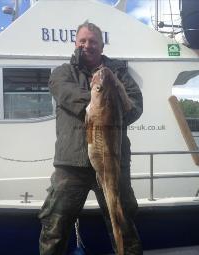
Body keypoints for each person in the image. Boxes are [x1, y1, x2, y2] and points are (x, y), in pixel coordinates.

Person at [39, 21, 143, 255]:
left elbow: (136, 107)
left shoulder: (120, 75)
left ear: (102, 45)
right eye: (83, 41)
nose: (88, 45)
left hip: (113, 161)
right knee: (54, 227)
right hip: (71, 165)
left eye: (93, 41)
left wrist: (106, 94)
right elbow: (67, 95)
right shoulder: (62, 73)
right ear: (76, 44)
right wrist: (105, 96)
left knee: (123, 224)